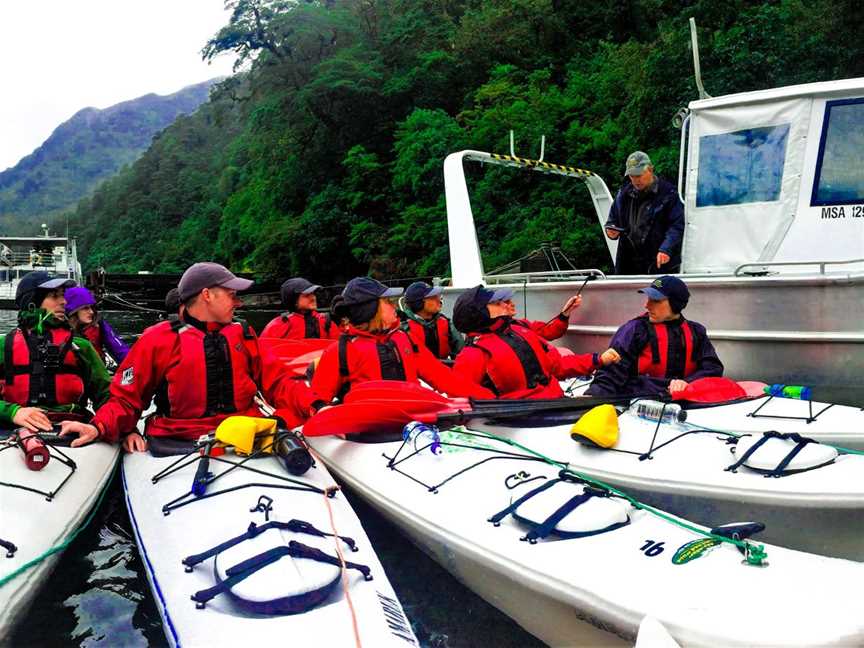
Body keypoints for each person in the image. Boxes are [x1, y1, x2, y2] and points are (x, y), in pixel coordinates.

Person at [60, 263, 321, 452]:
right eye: (232, 294)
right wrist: (100, 426)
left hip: (246, 436)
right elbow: (126, 400)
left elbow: (280, 383)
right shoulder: (158, 339)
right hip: (178, 441)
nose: (238, 302)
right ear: (207, 295)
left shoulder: (243, 334)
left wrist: (317, 406)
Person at [311, 277, 495, 402]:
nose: (394, 307)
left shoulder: (405, 339)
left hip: (413, 421)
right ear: (370, 309)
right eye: (387, 302)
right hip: (369, 435)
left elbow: (444, 378)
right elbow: (317, 400)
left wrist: (490, 400)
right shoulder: (340, 351)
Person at [452, 285, 620, 399]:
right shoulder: (472, 354)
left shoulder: (519, 330)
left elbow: (557, 366)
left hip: (556, 403)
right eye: (495, 302)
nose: (504, 303)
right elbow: (460, 399)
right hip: (522, 420)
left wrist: (598, 360)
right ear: (479, 312)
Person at [0, 272, 111, 438]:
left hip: (71, 429)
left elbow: (108, 396)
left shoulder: (81, 347)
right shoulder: (3, 345)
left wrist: (112, 428)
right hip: (10, 430)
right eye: (54, 296)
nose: (64, 302)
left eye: (62, 296)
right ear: (32, 302)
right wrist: (13, 412)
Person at [586, 276, 723, 397]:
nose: (646, 305)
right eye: (648, 298)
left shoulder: (697, 332)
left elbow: (713, 369)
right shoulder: (634, 330)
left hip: (685, 404)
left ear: (675, 304)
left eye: (655, 301)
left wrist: (686, 383)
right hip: (639, 403)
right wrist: (592, 397)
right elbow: (609, 376)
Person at [604, 151, 684, 274]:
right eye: (632, 176)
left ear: (650, 170)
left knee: (657, 293)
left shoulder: (669, 193)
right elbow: (612, 221)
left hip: (658, 262)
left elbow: (676, 226)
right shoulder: (623, 194)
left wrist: (666, 249)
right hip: (628, 263)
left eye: (639, 175)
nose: (636, 180)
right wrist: (611, 231)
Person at [64, 287, 130, 365]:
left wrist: (132, 365)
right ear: (73, 312)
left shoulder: (98, 324)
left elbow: (119, 349)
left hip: (96, 372)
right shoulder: (60, 328)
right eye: (85, 308)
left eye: (91, 307)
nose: (91, 312)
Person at [398, 281, 463, 360]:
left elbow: (461, 352)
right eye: (432, 297)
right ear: (419, 303)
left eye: (437, 296)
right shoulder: (402, 328)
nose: (439, 299)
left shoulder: (446, 323)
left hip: (443, 369)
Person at [261, 277, 340, 340]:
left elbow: (341, 348)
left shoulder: (325, 321)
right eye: (306, 295)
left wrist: (343, 321)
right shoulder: (278, 325)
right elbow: (263, 352)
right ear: (293, 301)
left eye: (313, 294)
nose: (313, 298)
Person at [500, 293, 583, 341]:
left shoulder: (523, 324)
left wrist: (566, 311)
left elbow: (551, 332)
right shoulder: (491, 335)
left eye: (511, 301)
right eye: (507, 302)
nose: (513, 304)